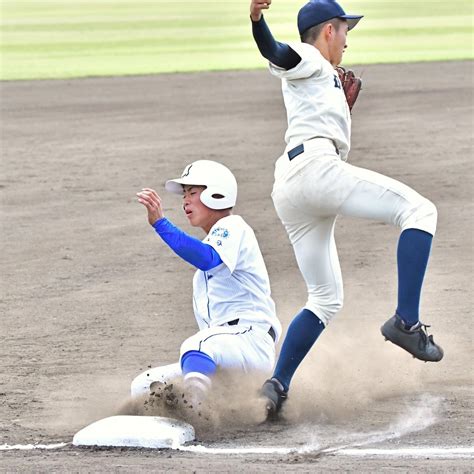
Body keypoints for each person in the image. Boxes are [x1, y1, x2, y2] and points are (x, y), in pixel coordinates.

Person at [249, 0, 443, 419]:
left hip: (291, 187)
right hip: (317, 171)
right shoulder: (309, 56)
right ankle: (406, 323)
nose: (347, 39)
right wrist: (257, 20)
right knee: (420, 212)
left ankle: (276, 385)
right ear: (326, 31)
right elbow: (275, 51)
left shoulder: (322, 76)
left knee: (324, 298)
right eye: (344, 29)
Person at [131, 160, 281, 406]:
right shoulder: (218, 242)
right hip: (224, 352)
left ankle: (195, 409)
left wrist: (160, 223)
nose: (185, 201)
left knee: (196, 344)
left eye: (192, 193)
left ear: (216, 194)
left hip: (249, 342)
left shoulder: (233, 227)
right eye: (184, 195)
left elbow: (205, 257)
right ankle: (214, 409)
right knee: (144, 384)